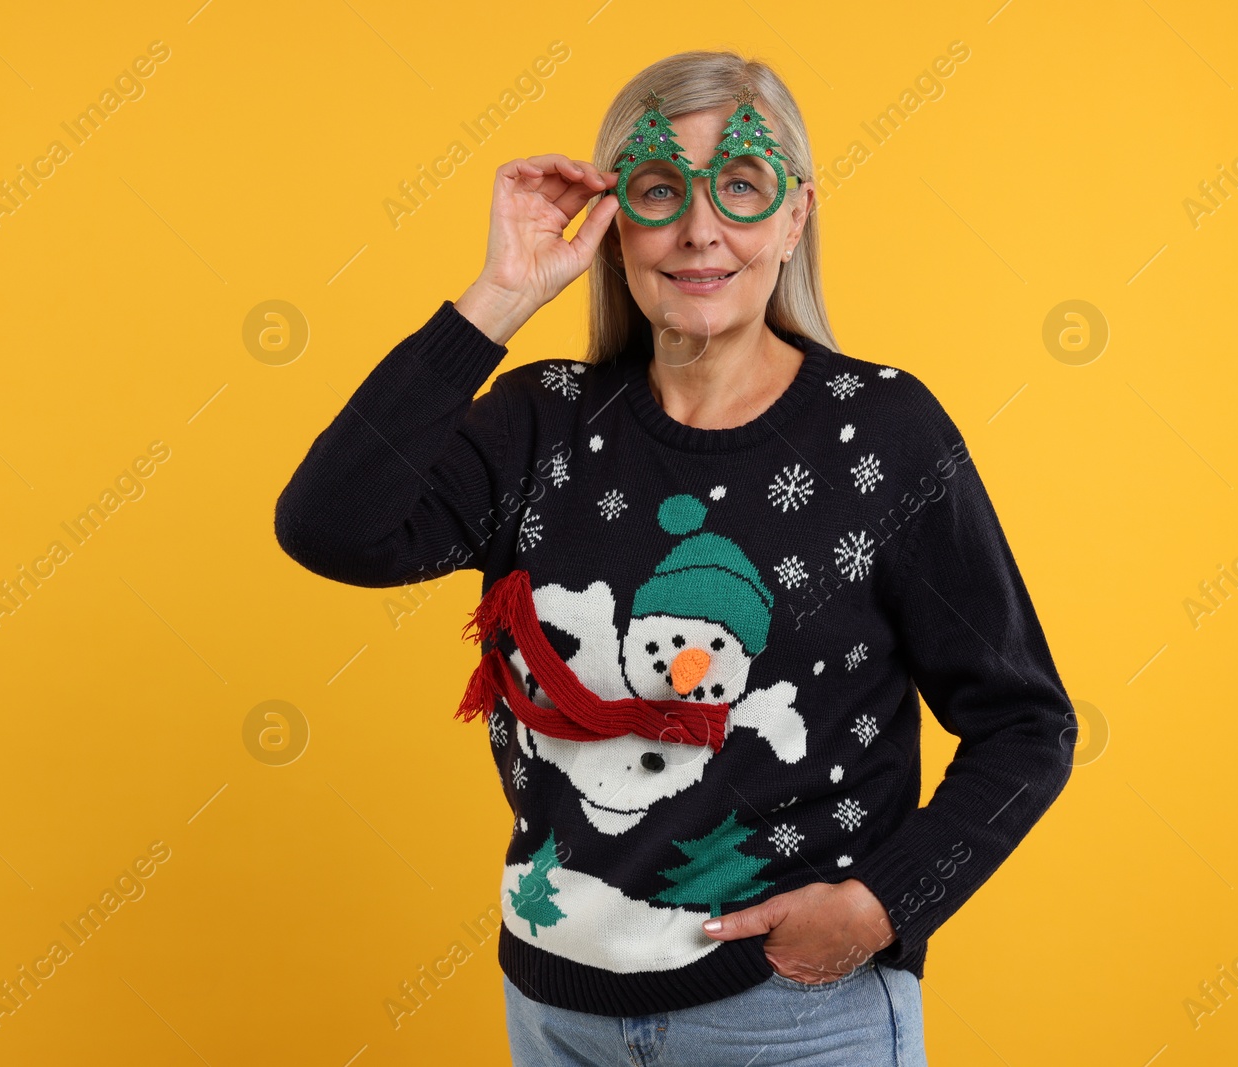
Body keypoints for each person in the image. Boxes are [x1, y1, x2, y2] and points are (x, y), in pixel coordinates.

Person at [275, 49, 1074, 1067]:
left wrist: (880, 905)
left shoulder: (880, 435)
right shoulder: (540, 421)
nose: (700, 228)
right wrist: (500, 293)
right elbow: (331, 525)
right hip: (556, 1013)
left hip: (792, 1019)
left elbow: (1025, 721)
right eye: (659, 191)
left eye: (742, 186)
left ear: (795, 218)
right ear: (615, 227)